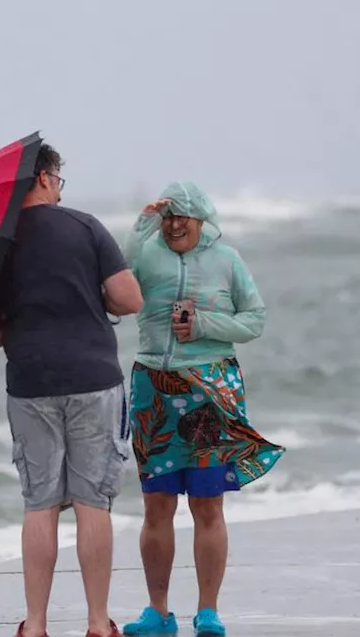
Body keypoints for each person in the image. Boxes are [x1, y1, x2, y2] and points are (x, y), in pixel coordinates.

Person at [0, 142, 144, 637]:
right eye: (58, 180)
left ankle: (37, 625)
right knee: (93, 501)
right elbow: (129, 299)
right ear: (45, 178)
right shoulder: (85, 227)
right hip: (93, 378)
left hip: (30, 383)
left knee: (40, 504)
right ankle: (96, 623)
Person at [119, 182, 285, 637]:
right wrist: (141, 225)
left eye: (182, 219)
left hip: (209, 386)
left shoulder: (227, 259)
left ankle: (208, 611)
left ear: (201, 221)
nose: (173, 226)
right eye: (168, 216)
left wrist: (206, 324)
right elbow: (119, 278)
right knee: (156, 504)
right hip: (153, 384)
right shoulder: (148, 251)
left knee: (207, 504)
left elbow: (255, 319)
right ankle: (157, 612)